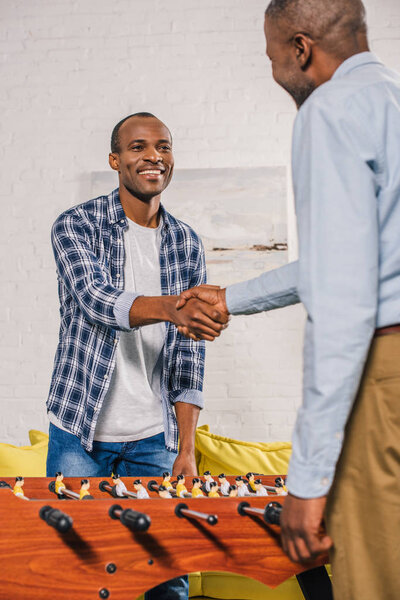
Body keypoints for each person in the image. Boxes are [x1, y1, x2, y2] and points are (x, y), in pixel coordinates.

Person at [177, 1, 400, 597]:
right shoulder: (392, 100)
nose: (274, 71)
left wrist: (305, 481)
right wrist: (231, 296)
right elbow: (351, 260)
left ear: (300, 49)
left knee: (374, 581)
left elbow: (344, 302)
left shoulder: (331, 109)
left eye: (272, 57)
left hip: (386, 375)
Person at [46, 112, 227, 600]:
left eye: (163, 147)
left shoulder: (185, 241)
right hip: (79, 437)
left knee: (166, 581)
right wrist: (175, 309)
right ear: (115, 160)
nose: (154, 156)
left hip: (155, 440)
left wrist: (186, 447)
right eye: (139, 147)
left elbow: (189, 351)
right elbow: (96, 299)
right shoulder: (75, 226)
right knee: (78, 580)